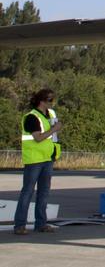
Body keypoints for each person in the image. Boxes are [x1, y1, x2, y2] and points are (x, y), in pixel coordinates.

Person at [13, 88, 61, 235]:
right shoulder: (32, 117)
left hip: (47, 158)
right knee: (27, 192)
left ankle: (41, 223)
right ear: (42, 101)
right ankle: (20, 225)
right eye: (50, 100)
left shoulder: (50, 114)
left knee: (44, 193)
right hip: (34, 159)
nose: (52, 102)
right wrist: (54, 129)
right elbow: (38, 137)